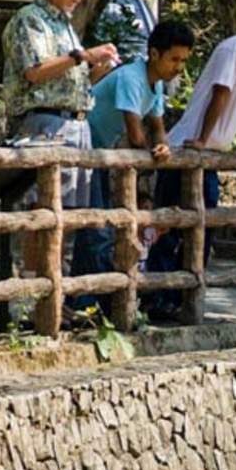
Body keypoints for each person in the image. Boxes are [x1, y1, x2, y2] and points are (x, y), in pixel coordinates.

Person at [146, 4, 236, 319]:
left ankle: (182, 297)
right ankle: (155, 297)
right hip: (188, 148)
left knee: (203, 227)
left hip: (209, 156)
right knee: (169, 226)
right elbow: (221, 93)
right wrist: (202, 138)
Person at [70, 20, 194, 310]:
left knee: (95, 229)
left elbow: (157, 125)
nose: (179, 67)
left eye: (184, 60)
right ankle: (93, 303)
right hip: (86, 148)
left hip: (100, 153)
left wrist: (163, 145)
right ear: (154, 53)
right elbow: (136, 133)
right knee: (97, 230)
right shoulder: (131, 77)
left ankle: (83, 302)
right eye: (174, 59)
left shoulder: (156, 84)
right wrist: (153, 152)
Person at [2, 0, 119, 212]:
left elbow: (70, 82)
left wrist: (98, 70)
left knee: (69, 216)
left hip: (76, 125)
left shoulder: (65, 25)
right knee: (42, 212)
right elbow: (34, 72)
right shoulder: (30, 19)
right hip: (46, 125)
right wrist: (83, 56)